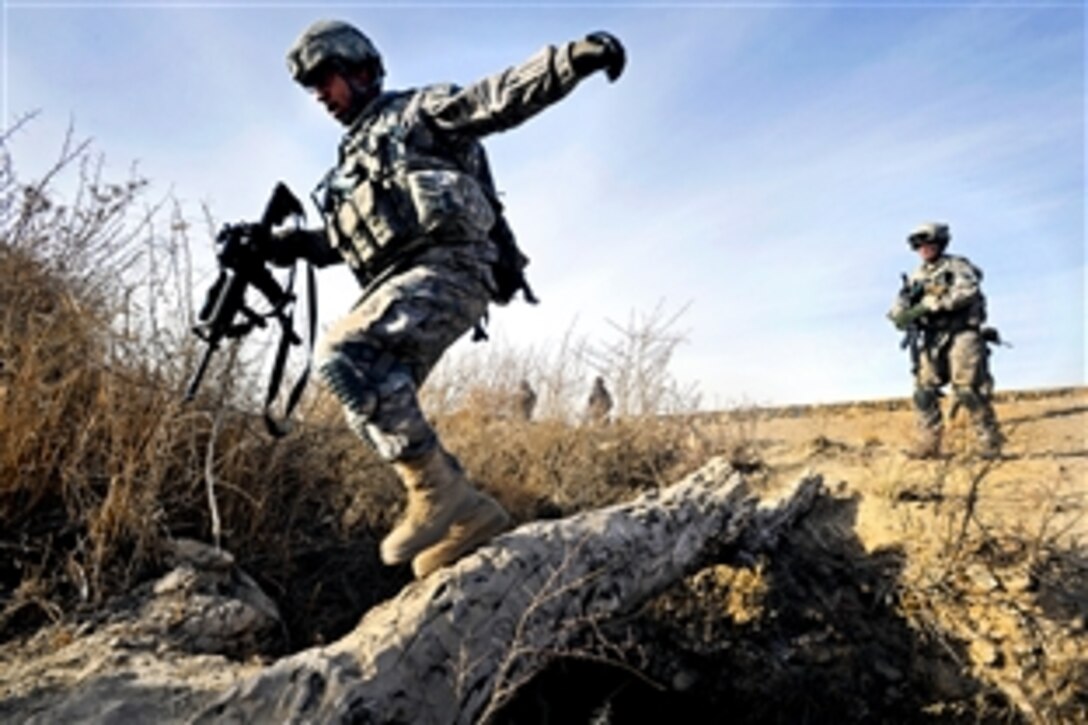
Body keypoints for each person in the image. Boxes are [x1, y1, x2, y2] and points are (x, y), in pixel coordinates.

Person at [271, 20, 627, 578]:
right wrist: (287, 245)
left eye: (326, 78)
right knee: (366, 394)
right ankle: (471, 517)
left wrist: (569, 62)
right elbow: (347, 241)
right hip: (400, 280)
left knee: (341, 354)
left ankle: (436, 493)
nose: (320, 95)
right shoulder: (349, 163)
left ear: (361, 70)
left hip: (453, 266)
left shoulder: (416, 113)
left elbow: (492, 99)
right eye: (312, 87)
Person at [888, 222, 1003, 459]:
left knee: (966, 390)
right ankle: (928, 443)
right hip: (932, 338)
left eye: (928, 243)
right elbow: (900, 305)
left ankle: (988, 441)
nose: (923, 249)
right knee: (923, 390)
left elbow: (967, 291)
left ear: (940, 243)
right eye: (919, 245)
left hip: (963, 333)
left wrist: (937, 304)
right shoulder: (916, 276)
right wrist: (902, 314)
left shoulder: (958, 266)